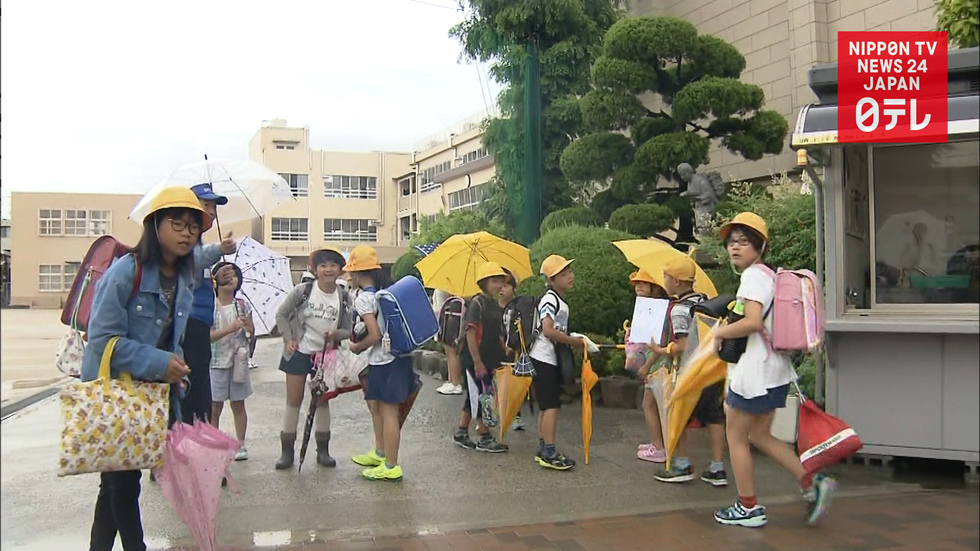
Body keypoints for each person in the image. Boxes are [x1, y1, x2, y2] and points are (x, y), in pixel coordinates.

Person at [80, 187, 203, 551]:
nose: (186, 233)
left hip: (152, 396)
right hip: (117, 394)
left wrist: (176, 370)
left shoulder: (184, 277)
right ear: (154, 226)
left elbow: (171, 336)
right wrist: (159, 362)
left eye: (193, 227)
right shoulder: (125, 271)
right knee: (123, 483)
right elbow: (102, 341)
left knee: (116, 484)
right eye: (177, 223)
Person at [712, 212, 835, 528]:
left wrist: (718, 333)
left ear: (760, 246)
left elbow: (752, 322)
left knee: (736, 437)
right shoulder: (770, 276)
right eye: (731, 242)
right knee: (761, 435)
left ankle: (748, 507)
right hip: (776, 371)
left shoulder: (753, 277)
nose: (735, 248)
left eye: (744, 242)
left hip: (755, 373)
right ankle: (812, 481)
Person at [648, 256, 728, 487]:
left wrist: (661, 349)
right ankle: (717, 467)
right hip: (710, 369)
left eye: (666, 277)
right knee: (714, 417)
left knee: (678, 416)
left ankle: (682, 465)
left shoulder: (679, 309)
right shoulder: (706, 301)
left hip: (689, 372)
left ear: (676, 281)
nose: (664, 280)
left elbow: (683, 344)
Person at [273, 248, 353, 470]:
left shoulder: (344, 297)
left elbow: (348, 329)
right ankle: (287, 453)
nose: (328, 270)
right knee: (294, 400)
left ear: (340, 269)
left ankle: (323, 451)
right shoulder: (303, 291)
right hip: (299, 352)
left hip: (326, 356)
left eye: (333, 265)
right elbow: (281, 314)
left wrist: (336, 335)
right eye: (323, 265)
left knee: (322, 400)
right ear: (315, 269)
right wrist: (288, 338)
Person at [347, 245, 413, 481]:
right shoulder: (386, 291)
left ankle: (391, 465)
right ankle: (380, 452)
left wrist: (356, 346)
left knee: (388, 413)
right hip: (396, 358)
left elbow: (374, 335)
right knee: (377, 408)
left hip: (385, 362)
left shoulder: (365, 299)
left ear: (357, 274)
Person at [182, 183, 237, 424]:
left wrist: (215, 279)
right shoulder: (188, 240)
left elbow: (194, 278)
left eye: (214, 206)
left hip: (201, 324)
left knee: (200, 392)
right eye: (206, 205)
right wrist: (219, 250)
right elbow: (189, 261)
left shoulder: (200, 240)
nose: (212, 211)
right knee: (193, 392)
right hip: (189, 324)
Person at [528, 255, 584, 471]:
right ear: (550, 280)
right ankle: (549, 452)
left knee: (546, 405)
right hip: (544, 358)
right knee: (551, 406)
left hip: (545, 357)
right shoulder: (550, 299)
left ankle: (544, 449)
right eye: (563, 274)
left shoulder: (557, 299)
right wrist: (574, 341)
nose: (570, 276)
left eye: (569, 271)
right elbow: (548, 330)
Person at [453, 262, 509, 453]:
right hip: (474, 359)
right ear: (484, 282)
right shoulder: (477, 304)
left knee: (474, 395)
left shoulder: (494, 304)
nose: (499, 284)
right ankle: (484, 436)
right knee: (481, 395)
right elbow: (470, 332)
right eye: (494, 281)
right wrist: (477, 362)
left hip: (489, 358)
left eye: (501, 281)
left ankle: (461, 431)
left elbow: (497, 331)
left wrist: (505, 348)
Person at [209, 261, 255, 462]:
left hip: (239, 362)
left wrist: (247, 327)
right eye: (225, 275)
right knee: (214, 406)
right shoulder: (209, 305)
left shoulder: (242, 305)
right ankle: (211, 443)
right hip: (216, 361)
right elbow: (207, 336)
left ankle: (241, 444)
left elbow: (252, 332)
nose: (230, 279)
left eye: (234, 275)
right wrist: (230, 328)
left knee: (238, 404)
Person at [630, 269, 671, 463]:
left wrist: (647, 365)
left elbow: (660, 343)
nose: (638, 286)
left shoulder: (656, 308)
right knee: (654, 405)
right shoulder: (648, 307)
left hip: (658, 364)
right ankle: (658, 443)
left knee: (650, 405)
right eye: (637, 283)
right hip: (656, 363)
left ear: (653, 286)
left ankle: (659, 447)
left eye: (644, 283)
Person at [497, 269, 526, 431]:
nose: (502, 289)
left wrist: (515, 345)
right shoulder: (492, 307)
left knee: (515, 383)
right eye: (499, 285)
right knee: (497, 384)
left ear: (514, 288)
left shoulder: (518, 306)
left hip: (513, 351)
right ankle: (498, 413)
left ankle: (516, 414)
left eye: (506, 285)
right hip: (496, 350)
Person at [434, 288, 465, 396]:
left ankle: (455, 382)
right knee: (448, 351)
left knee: (451, 351)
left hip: (451, 315)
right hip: (446, 315)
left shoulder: (451, 283)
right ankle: (451, 380)